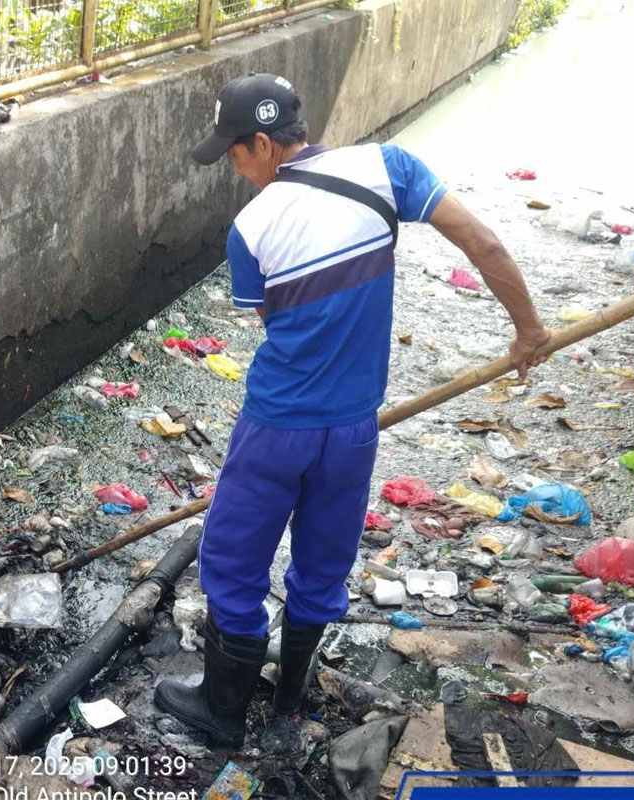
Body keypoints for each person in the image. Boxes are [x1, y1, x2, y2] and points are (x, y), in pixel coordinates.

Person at [153, 73, 551, 748]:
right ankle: (290, 699)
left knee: (231, 561)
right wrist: (529, 331)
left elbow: (275, 322)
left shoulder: (249, 229)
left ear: (261, 144)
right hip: (355, 430)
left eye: (234, 152)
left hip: (277, 425)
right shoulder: (389, 167)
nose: (235, 166)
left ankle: (221, 712)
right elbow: (483, 244)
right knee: (323, 563)